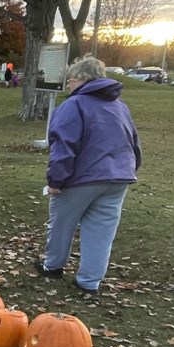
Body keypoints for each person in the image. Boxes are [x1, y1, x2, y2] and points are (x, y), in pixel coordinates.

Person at [34, 58, 140, 295]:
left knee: (62, 223)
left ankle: (53, 265)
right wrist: (131, 168)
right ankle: (89, 282)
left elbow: (64, 145)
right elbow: (133, 141)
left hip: (82, 177)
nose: (68, 85)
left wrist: (55, 181)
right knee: (102, 231)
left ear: (81, 79)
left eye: (70, 80)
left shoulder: (75, 105)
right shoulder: (120, 106)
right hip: (118, 177)